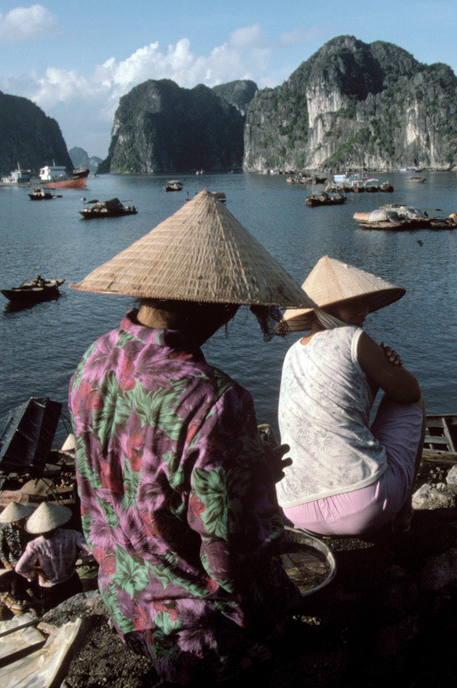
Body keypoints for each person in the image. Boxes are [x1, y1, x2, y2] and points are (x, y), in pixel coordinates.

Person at [69, 191, 312, 685]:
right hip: (197, 628)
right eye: (235, 304)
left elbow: (121, 482)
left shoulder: (92, 360)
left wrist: (240, 471)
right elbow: (228, 554)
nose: (236, 314)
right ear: (215, 303)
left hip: (125, 601)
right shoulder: (214, 399)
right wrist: (255, 485)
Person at [275, 256, 424, 536]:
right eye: (355, 301)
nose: (365, 310)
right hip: (362, 506)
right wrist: (394, 368)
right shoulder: (352, 337)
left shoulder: (292, 353)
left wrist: (379, 368)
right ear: (325, 306)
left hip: (295, 507)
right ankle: (404, 510)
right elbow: (410, 392)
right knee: (415, 401)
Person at [14, 502, 91, 613]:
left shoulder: (35, 544)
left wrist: (36, 572)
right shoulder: (72, 535)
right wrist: (76, 560)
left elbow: (19, 568)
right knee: (77, 611)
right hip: (71, 582)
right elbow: (90, 551)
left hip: (50, 588)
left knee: (56, 617)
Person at [0, 501, 34, 570]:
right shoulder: (4, 530)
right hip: (15, 562)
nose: (22, 521)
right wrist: (7, 564)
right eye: (19, 520)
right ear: (13, 520)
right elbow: (2, 551)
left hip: (31, 559)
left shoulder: (28, 525)